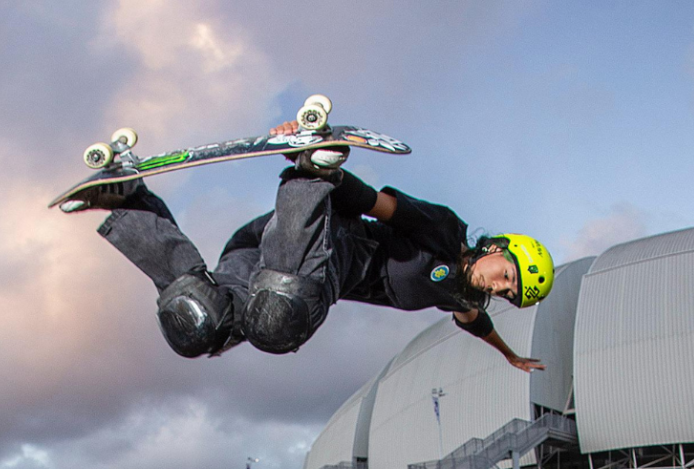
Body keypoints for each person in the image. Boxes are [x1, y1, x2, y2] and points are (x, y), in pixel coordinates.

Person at [58, 120, 555, 365]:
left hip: (262, 254)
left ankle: (129, 201)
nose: (498, 287)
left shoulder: (464, 295)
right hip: (320, 236)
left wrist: (509, 356)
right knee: (280, 317)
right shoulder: (445, 231)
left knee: (197, 326)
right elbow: (378, 204)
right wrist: (322, 168)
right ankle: (306, 173)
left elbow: (475, 323)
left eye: (507, 293)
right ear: (498, 249)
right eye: (506, 275)